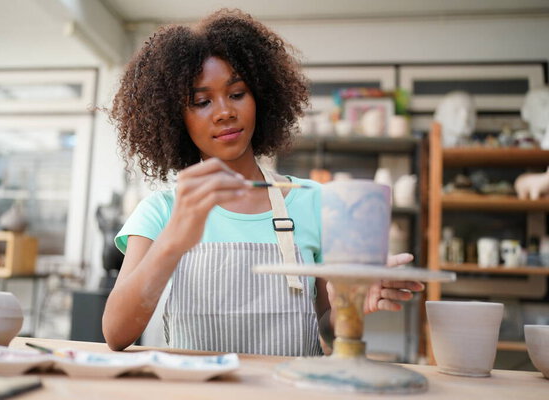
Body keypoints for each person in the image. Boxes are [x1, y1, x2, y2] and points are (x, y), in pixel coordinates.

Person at [102, 9, 423, 355]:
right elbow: (117, 334)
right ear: (174, 118)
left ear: (261, 99)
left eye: (237, 93)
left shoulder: (313, 200)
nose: (224, 111)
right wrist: (173, 240)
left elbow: (326, 340)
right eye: (202, 101)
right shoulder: (161, 210)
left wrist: (351, 306)